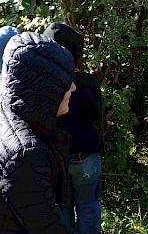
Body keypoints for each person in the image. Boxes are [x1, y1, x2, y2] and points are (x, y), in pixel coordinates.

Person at [0, 32, 76, 234]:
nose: (73, 88)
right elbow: (47, 227)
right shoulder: (23, 154)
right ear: (46, 91)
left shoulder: (1, 105)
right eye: (66, 83)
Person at [44, 23, 103, 234]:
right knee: (88, 206)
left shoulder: (44, 85)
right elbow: (96, 115)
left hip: (58, 158)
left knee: (63, 208)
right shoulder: (88, 82)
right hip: (85, 156)